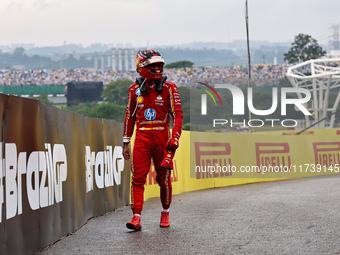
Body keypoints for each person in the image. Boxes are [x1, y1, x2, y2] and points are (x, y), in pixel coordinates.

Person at [122, 49, 183, 231]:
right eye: (152, 65)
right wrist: (126, 142)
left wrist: (175, 138)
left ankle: (165, 212)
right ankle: (136, 217)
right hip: (141, 138)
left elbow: (177, 115)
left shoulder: (169, 88)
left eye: (159, 65)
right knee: (137, 178)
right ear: (141, 67)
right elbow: (129, 116)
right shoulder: (134, 90)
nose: (157, 69)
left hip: (161, 139)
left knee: (163, 179)